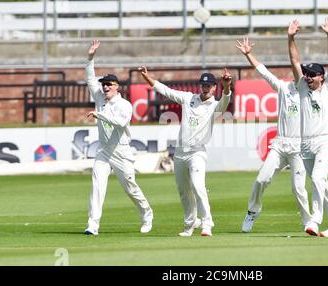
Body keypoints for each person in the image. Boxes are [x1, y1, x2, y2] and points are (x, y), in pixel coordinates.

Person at [138, 66, 232, 237]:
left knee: (198, 186)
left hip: (197, 152)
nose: (206, 88)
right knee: (183, 191)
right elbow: (166, 91)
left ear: (214, 88)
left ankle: (207, 223)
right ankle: (190, 225)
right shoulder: (188, 98)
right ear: (200, 86)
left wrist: (227, 86)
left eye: (209, 86)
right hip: (180, 152)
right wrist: (147, 77)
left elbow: (225, 101)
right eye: (203, 85)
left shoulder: (215, 106)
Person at [235, 37, 311, 233]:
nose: (299, 75)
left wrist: (292, 39)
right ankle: (253, 211)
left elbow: (295, 61)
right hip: (279, 145)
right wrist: (248, 54)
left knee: (298, 189)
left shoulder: (307, 92)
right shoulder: (283, 87)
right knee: (261, 179)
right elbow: (263, 71)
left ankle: (308, 222)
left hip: (298, 148)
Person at [288, 17, 328, 237]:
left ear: (321, 78)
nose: (307, 77)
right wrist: (290, 37)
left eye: (312, 75)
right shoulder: (302, 88)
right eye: (306, 74)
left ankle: (315, 220)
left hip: (325, 140)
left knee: (316, 179)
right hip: (305, 144)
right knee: (321, 184)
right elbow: (294, 60)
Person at [84, 40, 154, 236]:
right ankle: (93, 224)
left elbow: (120, 123)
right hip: (104, 151)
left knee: (130, 188)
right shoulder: (99, 97)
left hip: (121, 152)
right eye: (103, 85)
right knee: (97, 185)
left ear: (117, 87)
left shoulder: (124, 105)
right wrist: (90, 57)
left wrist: (100, 115)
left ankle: (147, 214)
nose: (105, 87)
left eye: (109, 85)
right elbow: (90, 78)